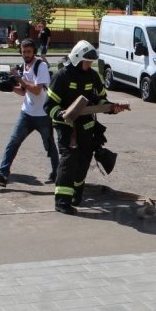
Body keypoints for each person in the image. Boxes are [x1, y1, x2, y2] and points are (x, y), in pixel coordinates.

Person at [44, 40, 127, 214]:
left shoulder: (93, 76)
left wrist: (111, 107)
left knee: (83, 162)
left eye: (91, 62)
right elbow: (49, 105)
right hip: (66, 127)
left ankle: (76, 195)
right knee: (69, 161)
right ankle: (62, 202)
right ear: (77, 58)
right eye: (87, 62)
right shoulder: (62, 76)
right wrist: (61, 114)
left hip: (87, 127)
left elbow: (100, 99)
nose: (89, 65)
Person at [0, 38, 59, 187]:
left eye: (29, 51)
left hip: (43, 115)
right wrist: (9, 87)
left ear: (34, 51)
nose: (26, 54)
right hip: (26, 113)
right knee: (13, 142)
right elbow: (24, 92)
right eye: (23, 51)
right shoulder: (23, 67)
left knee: (49, 145)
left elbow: (36, 89)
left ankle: (57, 173)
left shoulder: (41, 66)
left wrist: (19, 78)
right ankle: (3, 175)